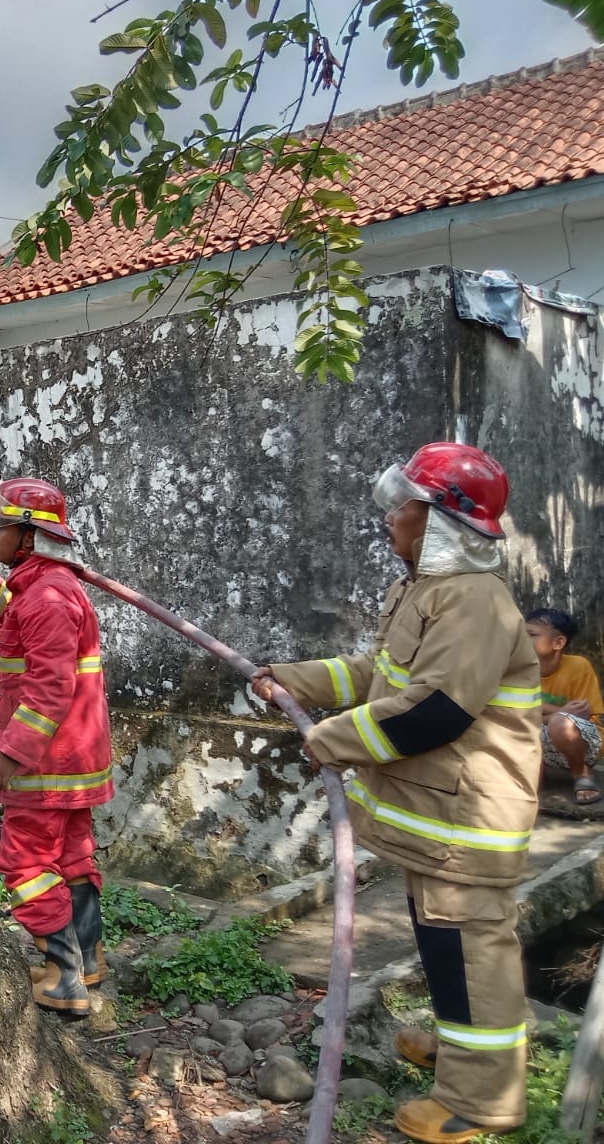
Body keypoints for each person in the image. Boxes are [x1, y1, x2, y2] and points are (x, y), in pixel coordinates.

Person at [251, 442, 540, 1144]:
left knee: (471, 953)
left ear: (437, 520)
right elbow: (377, 676)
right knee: (446, 947)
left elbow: (433, 710)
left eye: (404, 504)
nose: (391, 517)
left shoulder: (473, 601)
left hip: (467, 819)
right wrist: (295, 679)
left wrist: (330, 740)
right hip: (438, 820)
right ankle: (462, 1050)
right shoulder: (426, 590)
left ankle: (481, 1102)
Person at [0, 477, 113, 1017]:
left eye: (2, 526)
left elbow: (49, 686)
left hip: (46, 762)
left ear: (29, 535)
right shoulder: (45, 587)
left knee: (24, 863)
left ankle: (65, 981)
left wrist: (12, 752)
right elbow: (12, 618)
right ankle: (86, 962)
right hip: (72, 759)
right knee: (71, 857)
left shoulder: (46, 596)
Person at [524, 608, 603, 804]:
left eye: (531, 634)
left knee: (561, 724)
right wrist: (557, 711)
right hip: (538, 735)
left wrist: (545, 711)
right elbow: (515, 715)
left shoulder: (578, 666)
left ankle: (581, 773)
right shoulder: (517, 669)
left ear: (558, 642)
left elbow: (583, 716)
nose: (522, 639)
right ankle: (530, 780)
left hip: (584, 743)